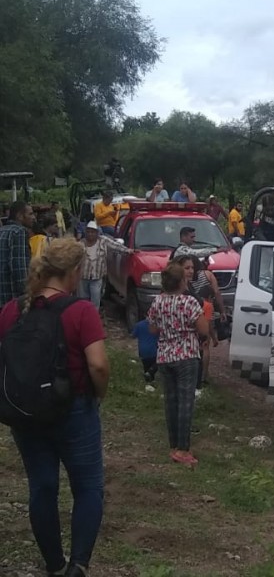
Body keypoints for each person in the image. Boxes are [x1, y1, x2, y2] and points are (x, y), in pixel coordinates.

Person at [0, 238, 110, 577]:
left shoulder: (12, 310)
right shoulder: (81, 311)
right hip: (73, 410)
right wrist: (97, 395)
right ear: (75, 272)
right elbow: (99, 365)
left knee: (43, 486)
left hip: (25, 412)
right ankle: (77, 565)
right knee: (88, 486)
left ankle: (53, 564)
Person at [147, 262, 209, 466]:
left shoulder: (157, 301)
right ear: (181, 281)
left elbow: (153, 329)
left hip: (165, 357)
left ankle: (173, 445)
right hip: (187, 356)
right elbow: (203, 329)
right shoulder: (189, 302)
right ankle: (183, 449)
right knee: (185, 403)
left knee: (170, 402)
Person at [176, 255, 227, 397]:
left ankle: (196, 382)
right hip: (186, 334)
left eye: (192, 267)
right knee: (201, 351)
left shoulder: (188, 286)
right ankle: (200, 380)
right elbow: (216, 292)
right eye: (187, 268)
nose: (191, 271)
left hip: (188, 335)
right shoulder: (182, 291)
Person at [79, 221, 132, 309]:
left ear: (97, 233)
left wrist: (127, 250)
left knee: (95, 301)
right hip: (83, 277)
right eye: (88, 232)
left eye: (92, 232)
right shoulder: (81, 244)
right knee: (83, 300)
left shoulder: (103, 241)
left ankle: (93, 318)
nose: (90, 234)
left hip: (97, 277)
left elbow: (115, 245)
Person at [0, 201, 35, 305]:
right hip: (12, 301)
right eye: (30, 214)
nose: (34, 217)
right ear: (20, 216)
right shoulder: (19, 232)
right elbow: (20, 270)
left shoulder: (2, 231)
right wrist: (28, 296)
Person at [132, 318, 159, 391]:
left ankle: (149, 384)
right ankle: (151, 373)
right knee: (158, 363)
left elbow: (133, 335)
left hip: (143, 351)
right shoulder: (156, 325)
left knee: (146, 368)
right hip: (153, 350)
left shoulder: (139, 325)